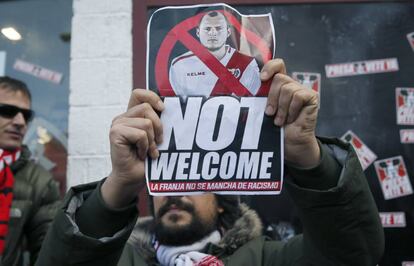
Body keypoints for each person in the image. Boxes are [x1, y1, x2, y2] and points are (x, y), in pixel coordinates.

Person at [37, 59, 384, 265]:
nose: (176, 193)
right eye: (171, 178)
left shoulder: (267, 257)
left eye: (195, 182)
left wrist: (306, 157)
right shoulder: (120, 258)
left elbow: (354, 255)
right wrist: (120, 183)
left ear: (220, 202)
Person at [0, 77, 60, 266]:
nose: (20, 122)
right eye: (8, 111)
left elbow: (47, 254)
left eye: (26, 115)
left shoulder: (40, 181)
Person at [169, 11, 262, 97]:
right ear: (198, 32)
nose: (213, 33)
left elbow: (254, 105)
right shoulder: (179, 65)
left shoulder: (247, 64)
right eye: (207, 28)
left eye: (218, 28)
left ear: (228, 32)